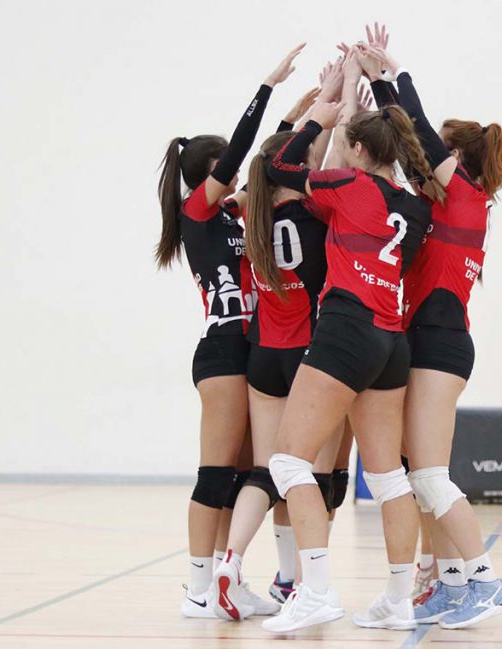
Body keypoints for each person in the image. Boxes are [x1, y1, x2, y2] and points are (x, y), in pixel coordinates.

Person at [259, 51, 444, 634]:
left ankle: (315, 591)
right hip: (392, 341)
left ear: (359, 151)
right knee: (388, 477)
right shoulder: (415, 206)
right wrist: (376, 87)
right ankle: (398, 599)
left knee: (289, 461)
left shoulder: (346, 185)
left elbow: (279, 166)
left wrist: (324, 108)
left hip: (345, 330)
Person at [357, 31, 502, 628]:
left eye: (438, 156)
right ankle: (449, 583)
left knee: (428, 475)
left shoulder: (467, 197)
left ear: (458, 163)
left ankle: (487, 581)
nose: (425, 164)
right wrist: (373, 96)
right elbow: (408, 148)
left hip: (441, 345)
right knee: (420, 476)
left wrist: (393, 75)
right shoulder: (441, 205)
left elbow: (419, 132)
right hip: (422, 340)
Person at [155, 43, 305, 618]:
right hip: (221, 350)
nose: (237, 177)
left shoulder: (234, 212)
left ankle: (225, 577)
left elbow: (264, 165)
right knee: (214, 474)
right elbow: (244, 152)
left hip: (254, 347)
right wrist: (267, 87)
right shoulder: (197, 212)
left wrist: (300, 117)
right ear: (209, 175)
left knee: (248, 473)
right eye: (227, 171)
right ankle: (196, 589)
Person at [212, 62, 348, 620]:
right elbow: (328, 166)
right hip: (311, 356)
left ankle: (230, 561)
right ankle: (296, 580)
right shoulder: (317, 212)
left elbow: (279, 163)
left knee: (266, 471)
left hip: (263, 354)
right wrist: (344, 97)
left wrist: (314, 112)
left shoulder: (251, 212)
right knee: (315, 476)